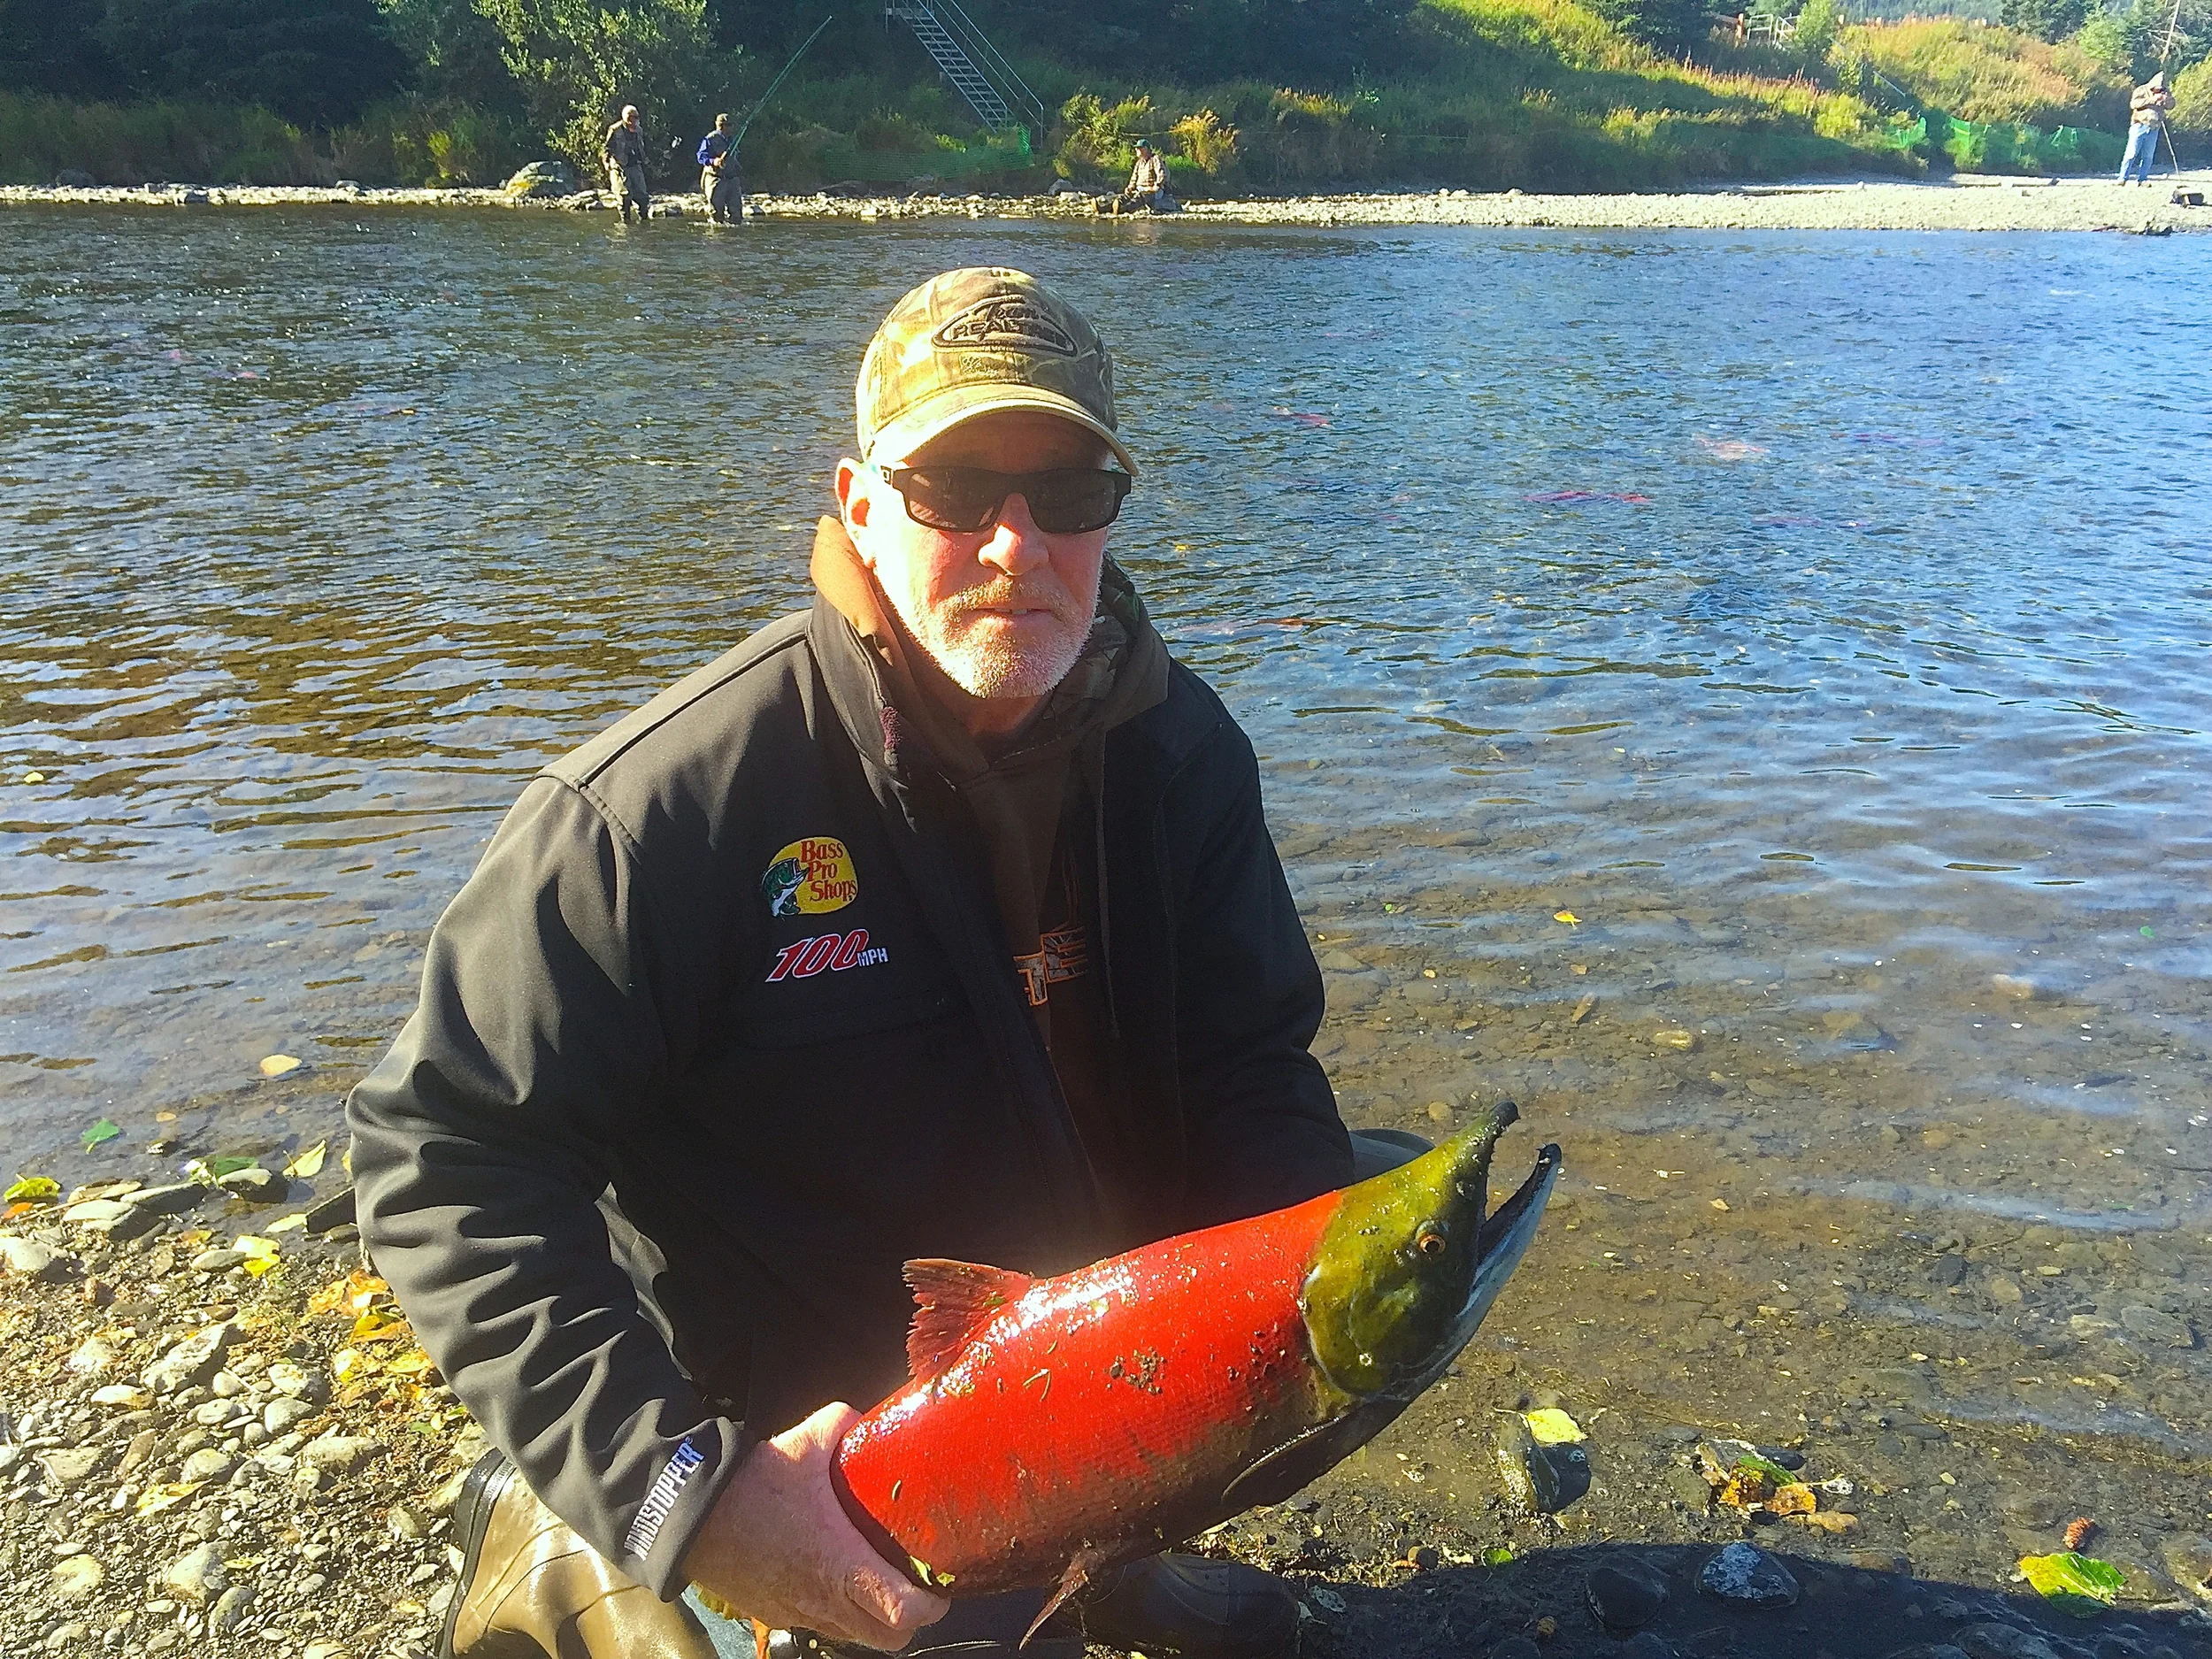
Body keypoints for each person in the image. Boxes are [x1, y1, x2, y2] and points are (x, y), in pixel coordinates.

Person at [349, 266, 1423, 1659]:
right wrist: (676, 1482)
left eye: (1069, 493)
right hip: (813, 1419)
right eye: (956, 490)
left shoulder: (1181, 750)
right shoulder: (663, 811)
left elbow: (1252, 1058)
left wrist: (1274, 1340)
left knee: (1391, 1237)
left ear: (1112, 513)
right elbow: (446, 1153)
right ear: (859, 504)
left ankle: (1103, 1541)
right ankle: (575, 1536)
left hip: (1078, 1359)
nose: (1016, 542)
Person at [2119, 72, 2173, 185]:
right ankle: (2123, 178)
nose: (2159, 90)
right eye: (2157, 88)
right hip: (2139, 124)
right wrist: (2153, 99)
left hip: (2154, 127)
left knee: (2148, 156)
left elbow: (2171, 105)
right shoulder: (2141, 90)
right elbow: (2134, 104)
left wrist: (2166, 100)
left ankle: (2143, 179)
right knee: (2132, 152)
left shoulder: (2165, 92)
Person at [603, 104, 651, 222]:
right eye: (631, 117)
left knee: (643, 197)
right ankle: (626, 223)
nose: (634, 120)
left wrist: (645, 160)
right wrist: (607, 164)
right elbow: (606, 149)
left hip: (635, 165)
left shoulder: (639, 130)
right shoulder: (615, 130)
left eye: (636, 117)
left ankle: (644, 223)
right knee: (624, 197)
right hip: (619, 167)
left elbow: (642, 147)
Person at [699, 111, 741, 223]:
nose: (732, 128)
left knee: (737, 214)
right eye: (730, 125)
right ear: (721, 126)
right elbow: (701, 157)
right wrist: (714, 161)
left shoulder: (733, 140)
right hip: (715, 179)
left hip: (732, 179)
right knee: (716, 214)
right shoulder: (710, 139)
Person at [1119, 138, 1177, 212]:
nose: (1136, 150)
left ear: (1146, 149)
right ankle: (1114, 205)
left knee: (1142, 197)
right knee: (1125, 197)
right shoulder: (1139, 163)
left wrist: (1157, 185)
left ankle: (1124, 209)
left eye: (1139, 148)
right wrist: (1129, 188)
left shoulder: (1155, 159)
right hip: (1139, 189)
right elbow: (1134, 178)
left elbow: (1161, 173)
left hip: (1153, 191)